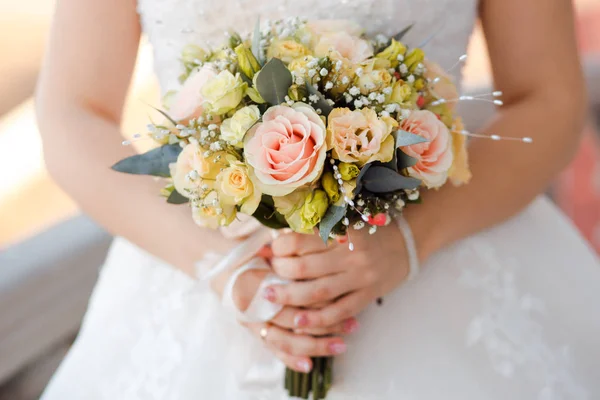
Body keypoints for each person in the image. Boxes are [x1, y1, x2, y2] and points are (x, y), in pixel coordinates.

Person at [37, 0, 600, 398]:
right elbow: (72, 112)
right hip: (196, 266)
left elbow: (547, 98)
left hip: (447, 258)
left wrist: (409, 239)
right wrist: (226, 267)